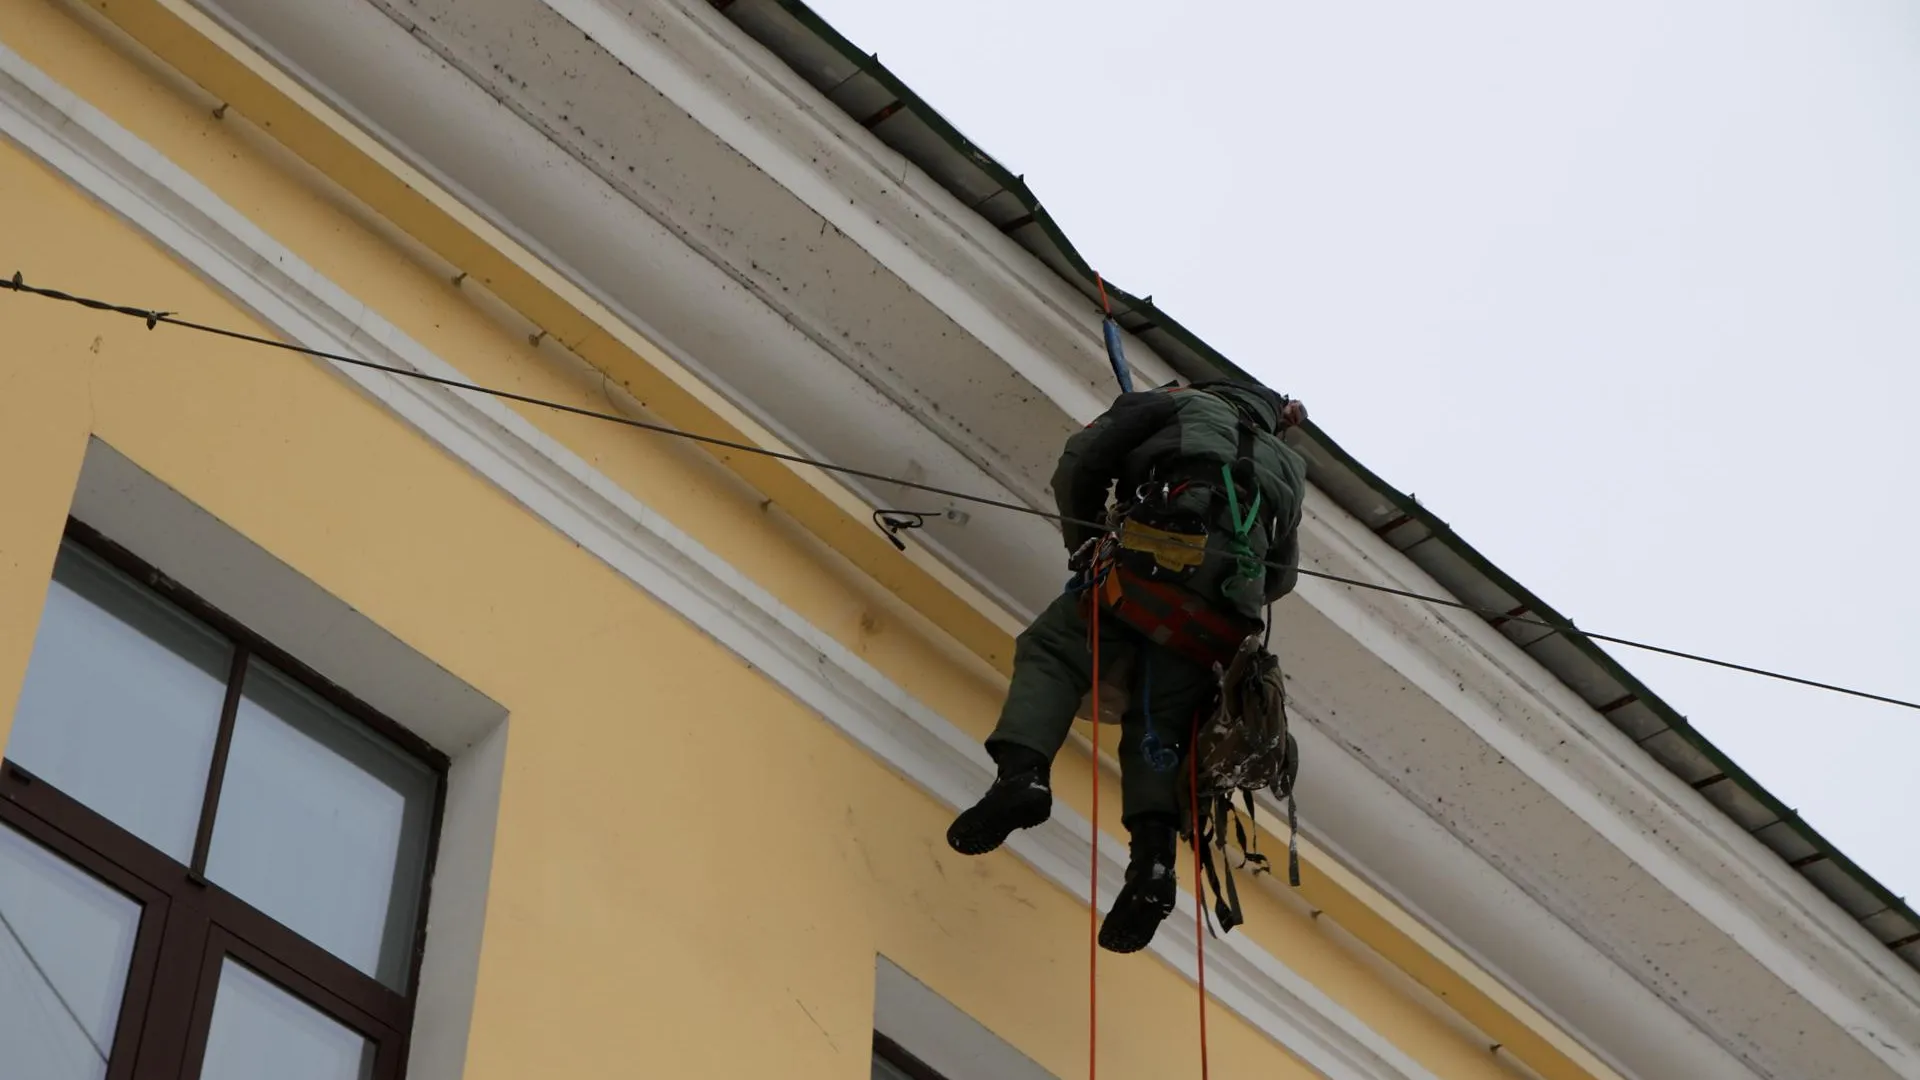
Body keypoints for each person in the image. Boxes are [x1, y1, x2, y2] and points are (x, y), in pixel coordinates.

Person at [945, 379, 1309, 953]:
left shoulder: (1175, 402)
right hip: (1220, 620)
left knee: (1057, 651)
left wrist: (1085, 537)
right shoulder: (1289, 465)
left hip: (1148, 566)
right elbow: (1281, 576)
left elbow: (1079, 461)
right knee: (1159, 727)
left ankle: (1024, 778)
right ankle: (1153, 868)